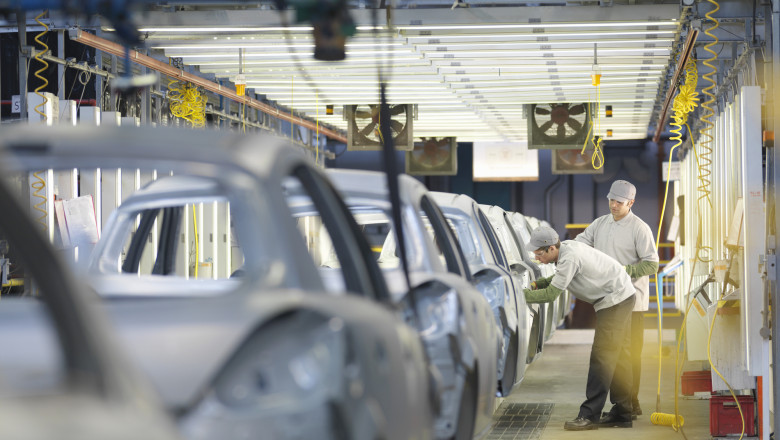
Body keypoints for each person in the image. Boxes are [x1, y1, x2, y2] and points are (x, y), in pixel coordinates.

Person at [524, 225, 635, 431]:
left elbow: (551, 295)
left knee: (602, 358)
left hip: (615, 299)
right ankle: (622, 413)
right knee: (618, 357)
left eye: (539, 254)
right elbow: (561, 278)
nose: (537, 258)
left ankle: (589, 416)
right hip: (622, 295)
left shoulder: (569, 257)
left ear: (550, 249)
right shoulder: (566, 249)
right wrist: (536, 285)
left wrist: (519, 295)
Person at [574, 180, 659, 421]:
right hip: (609, 300)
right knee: (618, 354)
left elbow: (652, 264)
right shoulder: (600, 224)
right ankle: (627, 406)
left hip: (633, 302)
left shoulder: (639, 228)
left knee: (630, 354)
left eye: (619, 202)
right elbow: (581, 243)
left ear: (631, 203)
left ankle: (631, 402)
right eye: (611, 200)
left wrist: (623, 271)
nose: (613, 205)